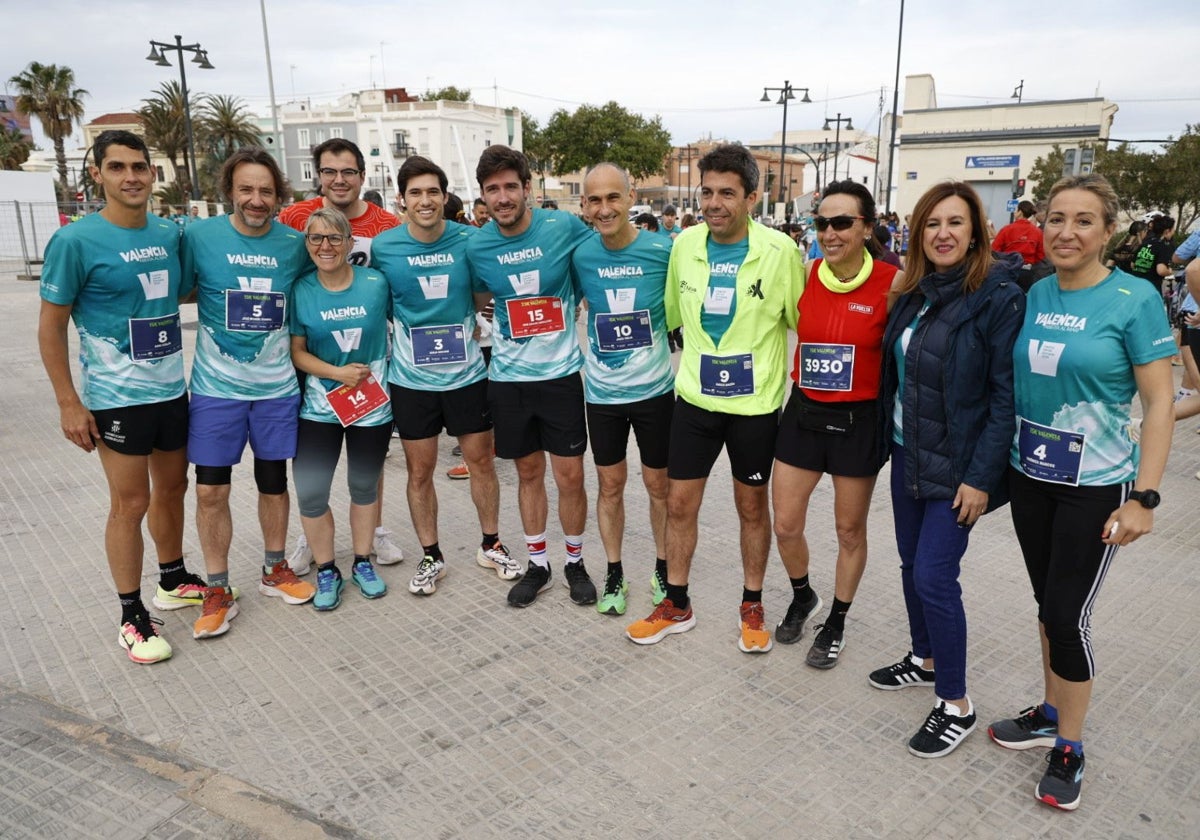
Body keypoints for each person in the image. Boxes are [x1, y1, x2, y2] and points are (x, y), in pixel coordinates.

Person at [987, 174, 1174, 811]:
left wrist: (1143, 498)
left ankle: (1070, 745)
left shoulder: (1134, 297)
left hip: (1096, 487)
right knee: (1047, 605)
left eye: (1084, 220)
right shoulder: (1037, 291)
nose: (1066, 231)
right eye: (1057, 218)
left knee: (1068, 617)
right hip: (1031, 475)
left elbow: (1158, 404)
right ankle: (1047, 711)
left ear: (1109, 230)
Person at [624, 144, 803, 652]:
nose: (714, 202)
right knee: (680, 503)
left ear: (752, 197)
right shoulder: (685, 246)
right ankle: (676, 603)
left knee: (751, 507)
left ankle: (751, 602)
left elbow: (802, 326)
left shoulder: (781, 253)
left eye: (727, 193)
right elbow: (673, 318)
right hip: (696, 402)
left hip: (754, 409)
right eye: (707, 192)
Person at [868, 181, 1025, 758]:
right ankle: (925, 658)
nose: (943, 234)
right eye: (933, 224)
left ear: (976, 232)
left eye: (955, 223)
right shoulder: (913, 291)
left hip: (960, 467)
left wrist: (982, 478)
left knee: (935, 575)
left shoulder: (996, 297)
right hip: (910, 452)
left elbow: (1005, 397)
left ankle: (956, 703)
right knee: (912, 564)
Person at [38, 129, 197, 664]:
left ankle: (172, 579)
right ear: (98, 174)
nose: (131, 176)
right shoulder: (75, 241)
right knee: (131, 503)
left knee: (174, 486)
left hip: (172, 388)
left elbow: (183, 295)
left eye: (139, 166)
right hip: (115, 397)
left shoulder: (171, 233)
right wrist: (68, 401)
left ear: (152, 173)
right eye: (117, 167)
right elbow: (50, 326)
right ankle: (131, 615)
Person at [181, 147, 316, 636]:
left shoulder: (295, 244)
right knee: (212, 488)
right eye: (246, 189)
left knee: (273, 482)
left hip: (277, 388)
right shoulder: (198, 237)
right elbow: (173, 291)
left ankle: (274, 568)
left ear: (278, 194)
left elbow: (315, 298)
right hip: (217, 390)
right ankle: (217, 587)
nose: (256, 200)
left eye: (265, 190)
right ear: (229, 192)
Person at [372, 156, 519, 595]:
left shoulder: (470, 240)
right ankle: (431, 556)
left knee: (481, 464)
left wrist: (468, 321)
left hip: (467, 377)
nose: (425, 200)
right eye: (415, 192)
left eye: (432, 191)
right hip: (411, 382)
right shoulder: (385, 247)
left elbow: (484, 291)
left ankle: (490, 543)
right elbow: (379, 303)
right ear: (402, 199)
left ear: (444, 195)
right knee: (420, 471)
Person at [772, 181, 902, 669]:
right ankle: (804, 596)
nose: (829, 232)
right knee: (785, 524)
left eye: (842, 222)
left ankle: (837, 621)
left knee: (849, 530)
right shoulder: (806, 274)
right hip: (804, 412)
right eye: (821, 223)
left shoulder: (892, 282)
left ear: (866, 227)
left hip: (859, 420)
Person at [466, 145, 596, 607]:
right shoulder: (477, 244)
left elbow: (596, 260)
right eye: (492, 189)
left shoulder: (560, 226)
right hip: (507, 380)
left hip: (560, 375)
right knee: (527, 473)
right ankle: (538, 563)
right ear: (483, 195)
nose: (502, 197)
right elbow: (474, 296)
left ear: (527, 188)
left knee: (571, 477)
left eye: (510, 187)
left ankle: (575, 562)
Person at [279, 138, 404, 569]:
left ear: (361, 176)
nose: (338, 179)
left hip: (365, 369)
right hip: (314, 355)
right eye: (329, 171)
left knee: (366, 470)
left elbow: (398, 290)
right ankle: (312, 541)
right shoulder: (294, 218)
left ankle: (374, 535)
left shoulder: (386, 224)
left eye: (347, 171)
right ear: (318, 176)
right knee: (312, 477)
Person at [574, 163, 675, 616]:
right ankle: (614, 570)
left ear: (631, 198)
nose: (604, 207)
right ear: (584, 205)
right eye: (594, 200)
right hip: (602, 396)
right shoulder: (581, 255)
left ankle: (662, 565)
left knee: (660, 486)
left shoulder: (662, 250)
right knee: (609, 485)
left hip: (655, 392)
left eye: (612, 197)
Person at [290, 209, 392, 610]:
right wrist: (337, 372)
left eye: (334, 238)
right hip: (318, 407)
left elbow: (405, 324)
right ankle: (327, 568)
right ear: (307, 244)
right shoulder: (301, 289)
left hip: (371, 407)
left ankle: (363, 562)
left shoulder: (376, 283)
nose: (325, 246)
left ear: (351, 243)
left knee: (364, 488)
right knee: (312, 492)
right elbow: (297, 352)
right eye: (316, 238)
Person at [1129, 215, 1175, 295]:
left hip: (1135, 285)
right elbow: (1161, 270)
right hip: (1151, 288)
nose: (1173, 232)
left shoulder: (1145, 244)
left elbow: (1133, 265)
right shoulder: (1163, 246)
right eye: (1173, 229)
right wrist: (1169, 271)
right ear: (1167, 231)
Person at [992, 200, 1045, 267]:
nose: (1014, 212)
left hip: (1008, 268)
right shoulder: (1038, 232)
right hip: (1028, 270)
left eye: (1016, 210)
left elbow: (994, 250)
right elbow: (1041, 254)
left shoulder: (1006, 229)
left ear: (1020, 212)